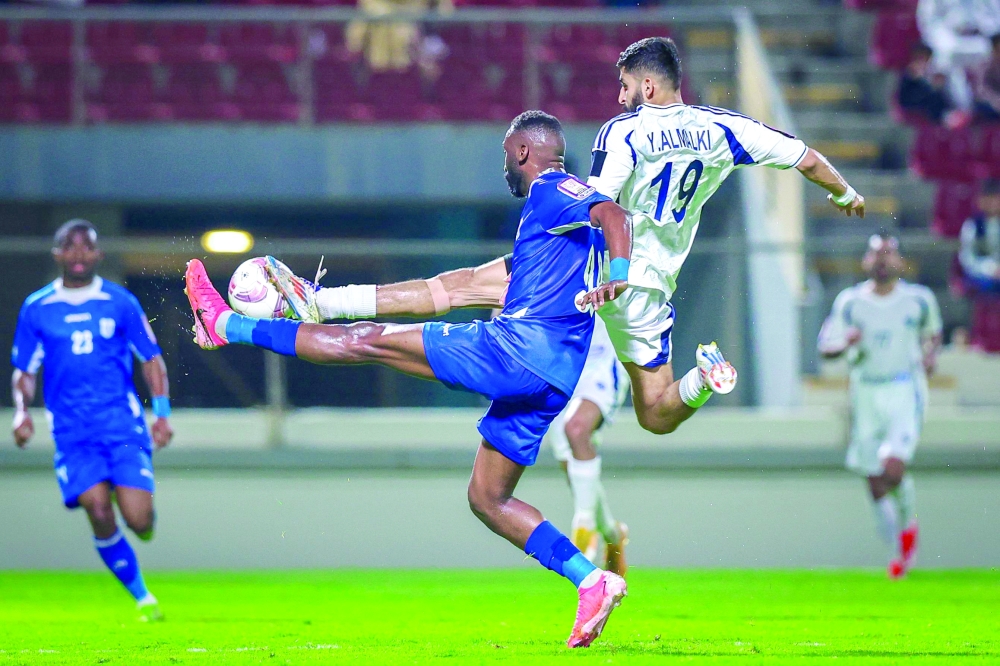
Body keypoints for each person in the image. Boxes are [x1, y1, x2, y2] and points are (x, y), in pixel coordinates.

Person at [184, 111, 633, 648]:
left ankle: (226, 326)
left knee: (367, 342)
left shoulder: (552, 189)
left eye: (504, 157)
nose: (504, 170)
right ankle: (592, 580)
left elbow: (614, 215)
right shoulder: (555, 242)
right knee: (488, 498)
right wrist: (325, 300)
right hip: (553, 380)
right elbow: (451, 288)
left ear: (521, 153)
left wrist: (620, 274)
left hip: (515, 352)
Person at [274, 255, 632, 576]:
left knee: (576, 430)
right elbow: (488, 300)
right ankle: (611, 533)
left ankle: (585, 534)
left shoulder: (602, 243)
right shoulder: (541, 256)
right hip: (546, 363)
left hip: (598, 362)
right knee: (572, 463)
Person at [582, 37, 866, 437]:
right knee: (656, 416)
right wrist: (845, 193)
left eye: (625, 86)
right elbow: (805, 158)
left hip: (608, 274)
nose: (620, 97)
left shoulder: (624, 131)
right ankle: (703, 377)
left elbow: (594, 209)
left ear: (647, 86)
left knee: (519, 305)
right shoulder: (723, 127)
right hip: (652, 287)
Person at [11, 219, 173, 620]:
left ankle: (133, 504)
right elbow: (24, 370)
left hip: (121, 425)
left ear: (99, 254)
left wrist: (161, 414)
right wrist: (21, 412)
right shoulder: (37, 307)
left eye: (87, 246)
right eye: (70, 246)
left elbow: (151, 359)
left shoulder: (120, 302)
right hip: (72, 432)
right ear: (57, 254)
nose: (79, 254)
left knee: (139, 521)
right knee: (99, 511)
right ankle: (143, 596)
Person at [817, 234, 943, 579]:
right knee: (874, 479)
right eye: (877, 254)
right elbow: (826, 347)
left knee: (893, 467)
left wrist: (930, 355)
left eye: (889, 253)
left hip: (903, 388)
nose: (883, 260)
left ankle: (906, 533)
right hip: (865, 390)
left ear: (900, 261)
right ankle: (899, 541)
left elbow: (932, 334)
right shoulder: (850, 302)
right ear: (866, 262)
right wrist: (846, 342)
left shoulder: (918, 299)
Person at [958, 179, 1000, 352]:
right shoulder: (973, 225)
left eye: (995, 198)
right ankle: (982, 335)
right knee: (985, 289)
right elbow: (967, 257)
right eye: (987, 199)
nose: (992, 203)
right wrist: (989, 268)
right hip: (983, 275)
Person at [898, 43, 953, 124]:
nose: (924, 62)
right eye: (921, 58)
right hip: (915, 111)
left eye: (927, 59)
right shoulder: (907, 75)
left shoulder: (929, 74)